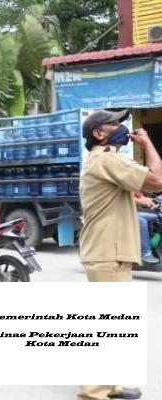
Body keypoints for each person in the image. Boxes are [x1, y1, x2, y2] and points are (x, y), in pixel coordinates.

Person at [78, 109, 162, 400]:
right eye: (114, 122)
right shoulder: (106, 160)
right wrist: (148, 144)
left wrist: (145, 203)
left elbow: (132, 194)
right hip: (106, 253)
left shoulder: (106, 162)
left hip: (108, 251)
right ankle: (93, 393)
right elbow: (157, 179)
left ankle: (111, 385)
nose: (122, 126)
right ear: (99, 134)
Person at [134, 192, 159, 265]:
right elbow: (128, 200)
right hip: (117, 214)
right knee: (141, 221)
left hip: (130, 212)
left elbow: (139, 196)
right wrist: (143, 202)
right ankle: (146, 254)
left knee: (156, 216)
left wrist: (151, 201)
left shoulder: (130, 187)